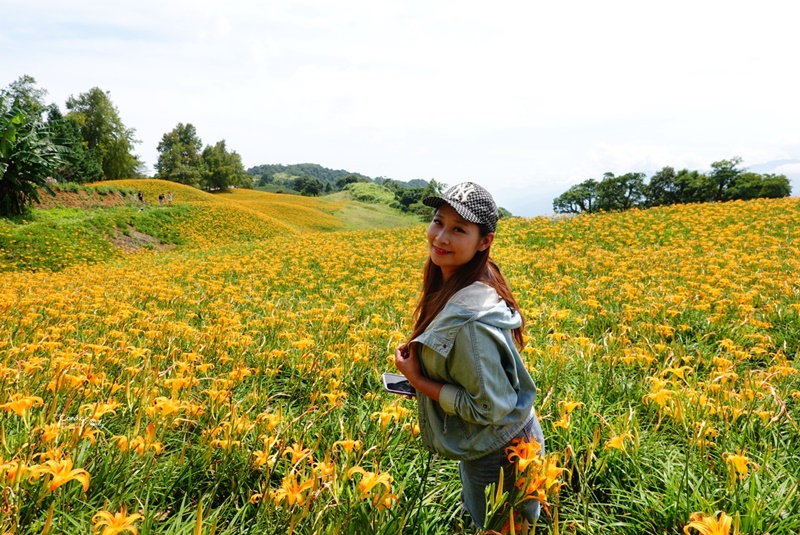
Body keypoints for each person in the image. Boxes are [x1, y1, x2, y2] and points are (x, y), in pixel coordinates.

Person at [394, 182, 544, 530]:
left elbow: (488, 408)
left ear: (485, 241)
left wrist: (418, 379)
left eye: (459, 229)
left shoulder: (471, 322)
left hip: (503, 454)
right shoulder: (464, 281)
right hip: (491, 443)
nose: (441, 237)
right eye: (438, 221)